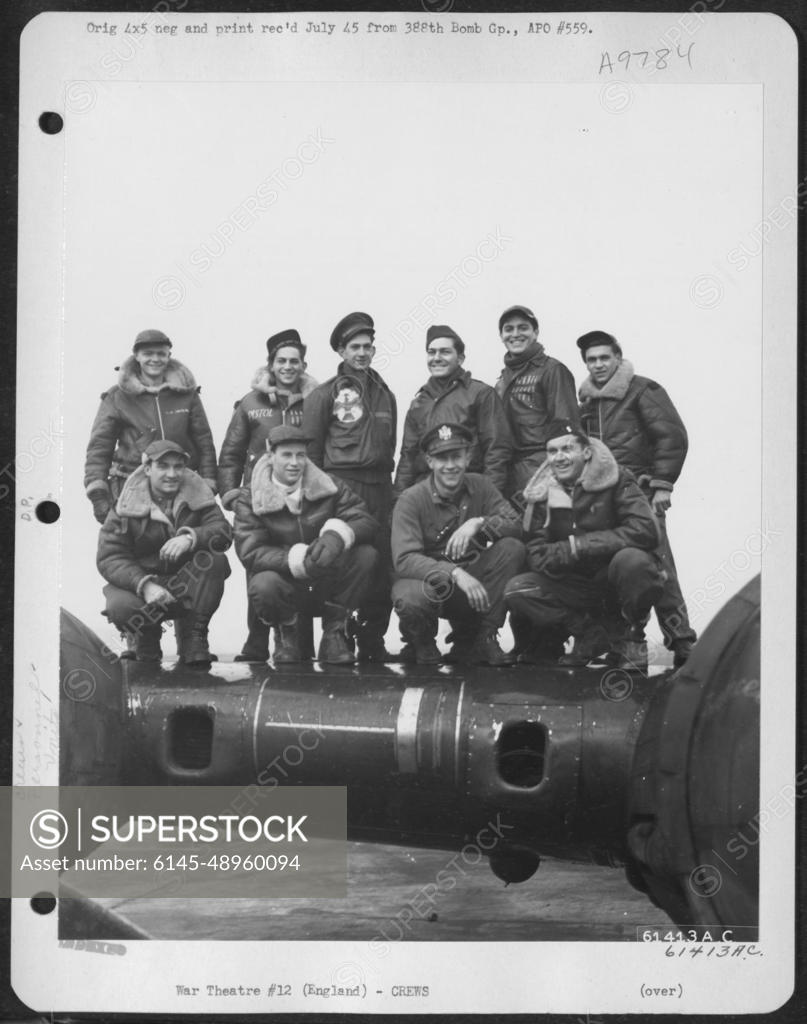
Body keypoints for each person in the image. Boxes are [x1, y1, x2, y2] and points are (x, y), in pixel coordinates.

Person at [576, 330, 695, 667]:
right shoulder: (586, 402)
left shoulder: (643, 389)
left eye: (604, 357)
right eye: (591, 359)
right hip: (602, 500)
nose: (598, 364)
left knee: (659, 563)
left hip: (641, 492)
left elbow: (671, 436)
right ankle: (626, 641)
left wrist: (663, 485)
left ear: (618, 357)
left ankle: (682, 640)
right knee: (619, 567)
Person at [505, 421, 664, 672]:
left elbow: (645, 530)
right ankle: (589, 635)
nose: (559, 457)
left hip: (611, 579)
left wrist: (580, 545)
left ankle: (631, 637)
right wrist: (557, 556)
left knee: (634, 562)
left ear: (586, 452)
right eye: (552, 451)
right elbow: (536, 552)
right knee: (518, 589)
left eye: (567, 449)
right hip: (572, 583)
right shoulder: (539, 493)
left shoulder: (617, 478)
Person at [233, 426, 379, 665]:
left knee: (366, 556)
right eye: (286, 455)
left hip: (325, 580)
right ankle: (286, 635)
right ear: (270, 456)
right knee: (263, 583)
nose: (295, 463)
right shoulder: (249, 497)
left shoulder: (330, 485)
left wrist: (336, 535)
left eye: (300, 455)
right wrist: (297, 560)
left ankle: (334, 634)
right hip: (287, 586)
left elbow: (364, 519)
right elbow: (250, 551)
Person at [217, 328, 318, 662]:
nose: (288, 367)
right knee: (258, 568)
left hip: (301, 496)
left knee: (301, 565)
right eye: (281, 361)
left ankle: (299, 647)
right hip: (258, 498)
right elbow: (231, 452)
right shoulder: (250, 403)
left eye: (294, 361)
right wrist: (231, 493)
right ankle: (256, 642)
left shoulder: (316, 400)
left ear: (304, 364)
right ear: (271, 364)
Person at [302, 312, 396, 661]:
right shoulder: (325, 394)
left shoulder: (385, 393)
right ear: (341, 350)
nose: (362, 353)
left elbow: (391, 445)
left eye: (367, 346)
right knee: (348, 559)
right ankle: (336, 634)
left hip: (380, 488)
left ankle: (373, 636)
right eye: (354, 347)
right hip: (342, 486)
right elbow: (310, 455)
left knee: (383, 561)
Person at [391, 422, 525, 666]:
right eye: (442, 458)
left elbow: (516, 524)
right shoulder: (411, 499)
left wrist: (479, 522)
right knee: (409, 596)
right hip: (434, 586)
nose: (450, 465)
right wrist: (453, 572)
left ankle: (485, 637)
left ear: (468, 457)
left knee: (511, 548)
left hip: (473, 590)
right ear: (430, 461)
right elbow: (404, 559)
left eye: (456, 457)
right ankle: (422, 642)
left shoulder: (481, 486)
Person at [96, 440, 231, 667]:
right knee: (120, 607)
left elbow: (224, 531)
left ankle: (193, 637)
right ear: (147, 469)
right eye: (163, 466)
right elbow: (109, 556)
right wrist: (145, 584)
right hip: (143, 588)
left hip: (184, 584)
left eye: (178, 467)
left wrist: (190, 538)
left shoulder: (199, 496)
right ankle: (144, 637)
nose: (172, 474)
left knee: (215, 561)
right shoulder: (125, 504)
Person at [84, 328, 217, 524]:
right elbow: (99, 448)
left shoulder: (187, 395)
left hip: (179, 484)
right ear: (136, 356)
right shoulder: (116, 397)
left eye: (161, 354)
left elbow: (204, 441)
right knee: (133, 549)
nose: (155, 359)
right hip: (131, 485)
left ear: (168, 356)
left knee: (183, 544)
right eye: (148, 354)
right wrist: (98, 494)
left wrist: (208, 482)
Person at [393, 324, 512, 498]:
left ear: (460, 358)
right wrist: (399, 500)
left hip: (468, 491)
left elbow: (497, 451)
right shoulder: (418, 403)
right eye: (431, 352)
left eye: (445, 352)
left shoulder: (481, 394)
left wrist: (488, 498)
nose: (437, 357)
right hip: (427, 495)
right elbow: (407, 458)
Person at [494, 305, 579, 495]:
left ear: (536, 332)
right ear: (501, 336)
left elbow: (566, 428)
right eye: (509, 329)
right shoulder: (502, 380)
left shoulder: (553, 370)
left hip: (541, 468)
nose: (515, 334)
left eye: (523, 327)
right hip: (508, 472)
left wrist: (556, 475)